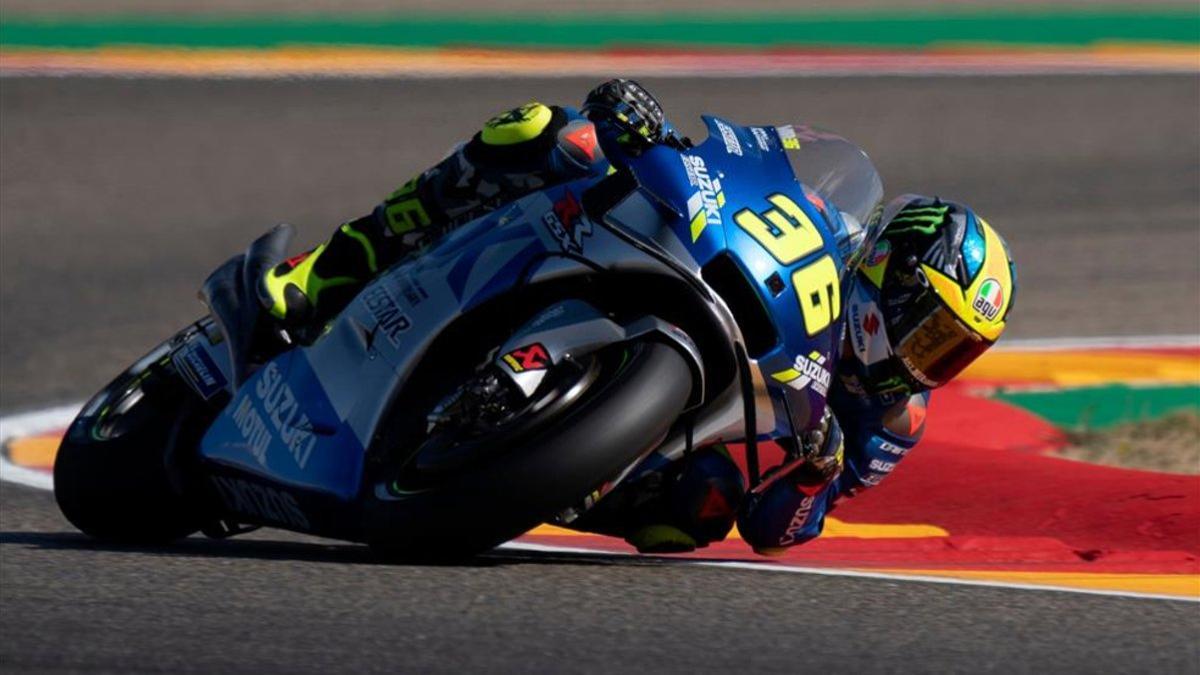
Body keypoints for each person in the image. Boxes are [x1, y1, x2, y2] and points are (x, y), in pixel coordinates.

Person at [258, 79, 1017, 555]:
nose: (929, 359)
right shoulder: (827, 222)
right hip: (675, 264)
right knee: (544, 130)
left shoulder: (892, 418)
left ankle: (542, 477)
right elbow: (750, 159)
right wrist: (649, 131)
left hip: (683, 420)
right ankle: (329, 268)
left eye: (955, 350)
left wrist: (817, 469)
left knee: (698, 510)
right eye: (931, 329)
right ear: (891, 275)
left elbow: (776, 529)